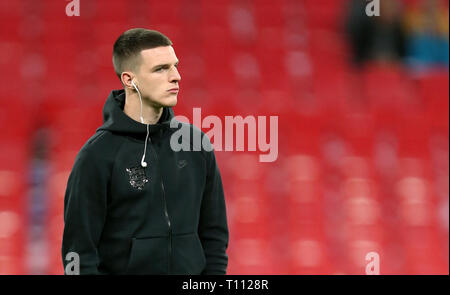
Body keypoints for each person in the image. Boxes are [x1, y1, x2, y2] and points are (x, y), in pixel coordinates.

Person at [61, 28, 229, 275]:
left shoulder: (195, 144)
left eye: (175, 66)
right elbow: (78, 255)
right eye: (161, 69)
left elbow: (214, 237)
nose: (176, 76)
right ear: (129, 80)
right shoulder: (96, 156)